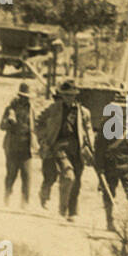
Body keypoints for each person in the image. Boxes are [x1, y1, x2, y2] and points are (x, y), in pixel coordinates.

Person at [35, 79, 93, 221]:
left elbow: (89, 129)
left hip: (77, 149)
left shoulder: (83, 112)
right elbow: (39, 122)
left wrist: (91, 147)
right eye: (66, 95)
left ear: (75, 96)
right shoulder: (54, 108)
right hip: (59, 146)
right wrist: (43, 139)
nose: (69, 98)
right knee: (68, 176)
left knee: (77, 181)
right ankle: (62, 209)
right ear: (62, 96)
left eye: (71, 95)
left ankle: (72, 212)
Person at [95, 89, 128, 234]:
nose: (123, 110)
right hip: (110, 164)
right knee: (109, 194)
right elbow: (99, 146)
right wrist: (99, 167)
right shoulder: (106, 123)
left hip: (127, 163)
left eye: (126, 108)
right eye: (121, 108)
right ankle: (110, 222)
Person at [0, 82, 35, 207]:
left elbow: (34, 127)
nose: (25, 100)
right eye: (23, 97)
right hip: (13, 145)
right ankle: (7, 196)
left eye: (27, 98)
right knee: (11, 174)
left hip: (26, 146)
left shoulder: (31, 109)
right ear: (19, 97)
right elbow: (1, 126)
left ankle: (24, 202)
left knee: (27, 175)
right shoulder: (10, 109)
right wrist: (9, 122)